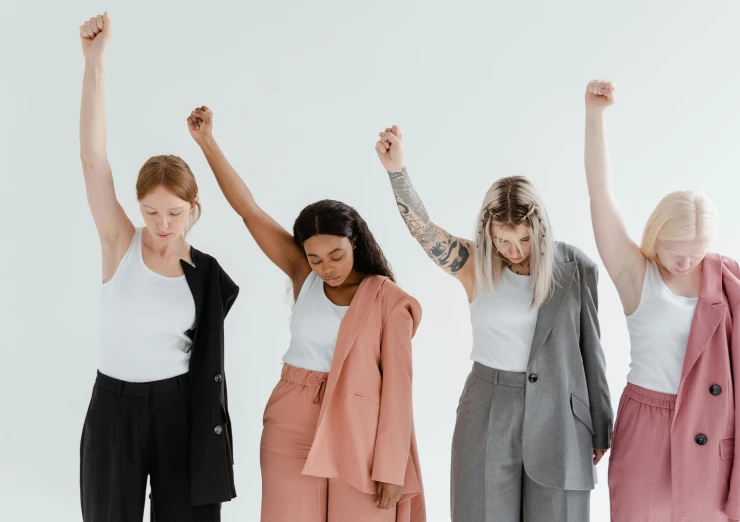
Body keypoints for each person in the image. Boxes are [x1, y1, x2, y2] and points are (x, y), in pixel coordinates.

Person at [187, 107, 426, 521]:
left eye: (336, 255)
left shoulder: (389, 300)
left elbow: (399, 391)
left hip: (361, 429)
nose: (326, 267)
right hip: (292, 416)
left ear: (357, 243)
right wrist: (207, 142)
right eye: (315, 258)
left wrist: (392, 467)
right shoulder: (304, 276)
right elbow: (250, 211)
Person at [375, 125, 613, 521]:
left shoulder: (573, 268)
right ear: (487, 233)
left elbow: (592, 349)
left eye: (523, 239)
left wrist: (601, 423)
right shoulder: (475, 265)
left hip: (561, 414)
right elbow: (424, 231)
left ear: (540, 229)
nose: (513, 251)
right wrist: (397, 173)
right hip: (488, 407)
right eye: (502, 239)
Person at [584, 79, 740, 521]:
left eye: (697, 253)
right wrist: (595, 118)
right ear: (657, 236)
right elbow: (601, 197)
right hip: (646, 417)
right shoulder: (636, 275)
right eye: (676, 252)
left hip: (713, 427)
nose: (686, 262)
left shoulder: (725, 282)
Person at [78, 13, 239, 522]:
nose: (162, 224)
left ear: (193, 208)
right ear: (138, 207)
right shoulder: (120, 245)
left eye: (174, 213)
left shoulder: (206, 274)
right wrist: (94, 64)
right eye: (151, 212)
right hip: (114, 405)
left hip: (178, 408)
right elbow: (93, 159)